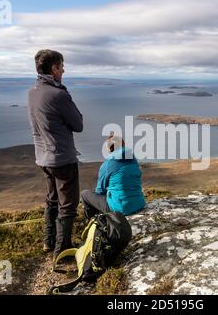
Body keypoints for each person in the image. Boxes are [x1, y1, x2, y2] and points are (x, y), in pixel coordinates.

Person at [27, 49, 84, 259]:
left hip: (42, 157)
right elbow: (78, 125)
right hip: (61, 158)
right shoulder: (59, 94)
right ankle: (63, 250)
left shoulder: (32, 91)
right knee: (68, 204)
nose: (64, 70)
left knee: (52, 199)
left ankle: (48, 241)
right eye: (61, 66)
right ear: (54, 68)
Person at [81, 135, 146, 220]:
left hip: (120, 208)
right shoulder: (133, 160)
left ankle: (94, 223)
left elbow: (100, 191)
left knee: (84, 194)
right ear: (123, 145)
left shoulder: (107, 164)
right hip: (139, 203)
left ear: (108, 148)